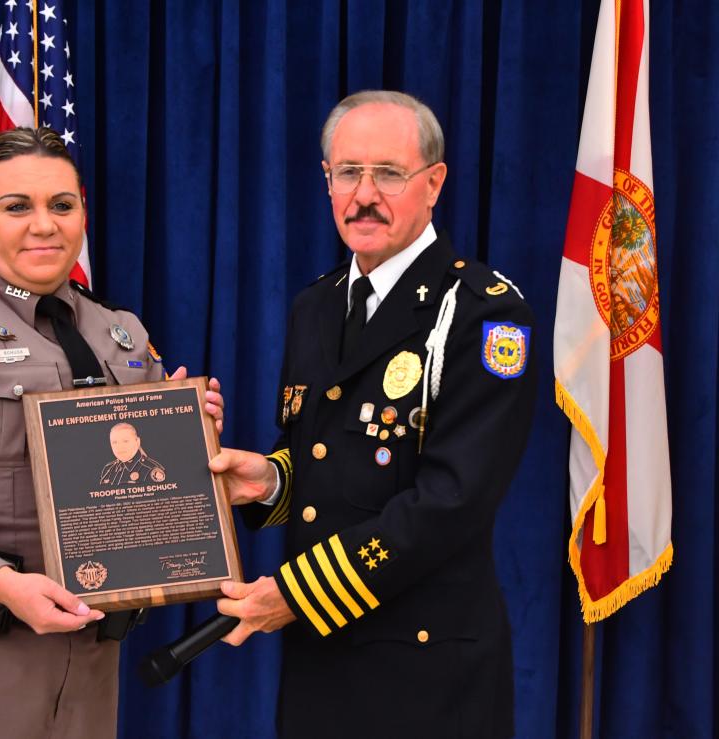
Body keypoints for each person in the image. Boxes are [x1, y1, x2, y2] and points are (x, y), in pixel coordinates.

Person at [0, 127, 223, 739]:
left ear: (82, 211)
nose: (44, 225)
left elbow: (150, 488)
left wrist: (195, 433)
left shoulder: (121, 332)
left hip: (90, 663)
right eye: (16, 206)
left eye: (61, 205)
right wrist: (2, 584)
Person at [211, 91, 536, 738]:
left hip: (427, 669)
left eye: (389, 173)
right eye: (346, 172)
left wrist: (298, 593)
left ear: (434, 182)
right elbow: (330, 462)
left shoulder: (484, 313)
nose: (363, 195)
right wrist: (270, 481)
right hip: (321, 661)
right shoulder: (318, 305)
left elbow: (452, 501)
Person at [99, 422, 166, 484]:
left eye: (125, 441)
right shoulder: (108, 469)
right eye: (114, 442)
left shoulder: (151, 470)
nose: (119, 447)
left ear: (137, 442)